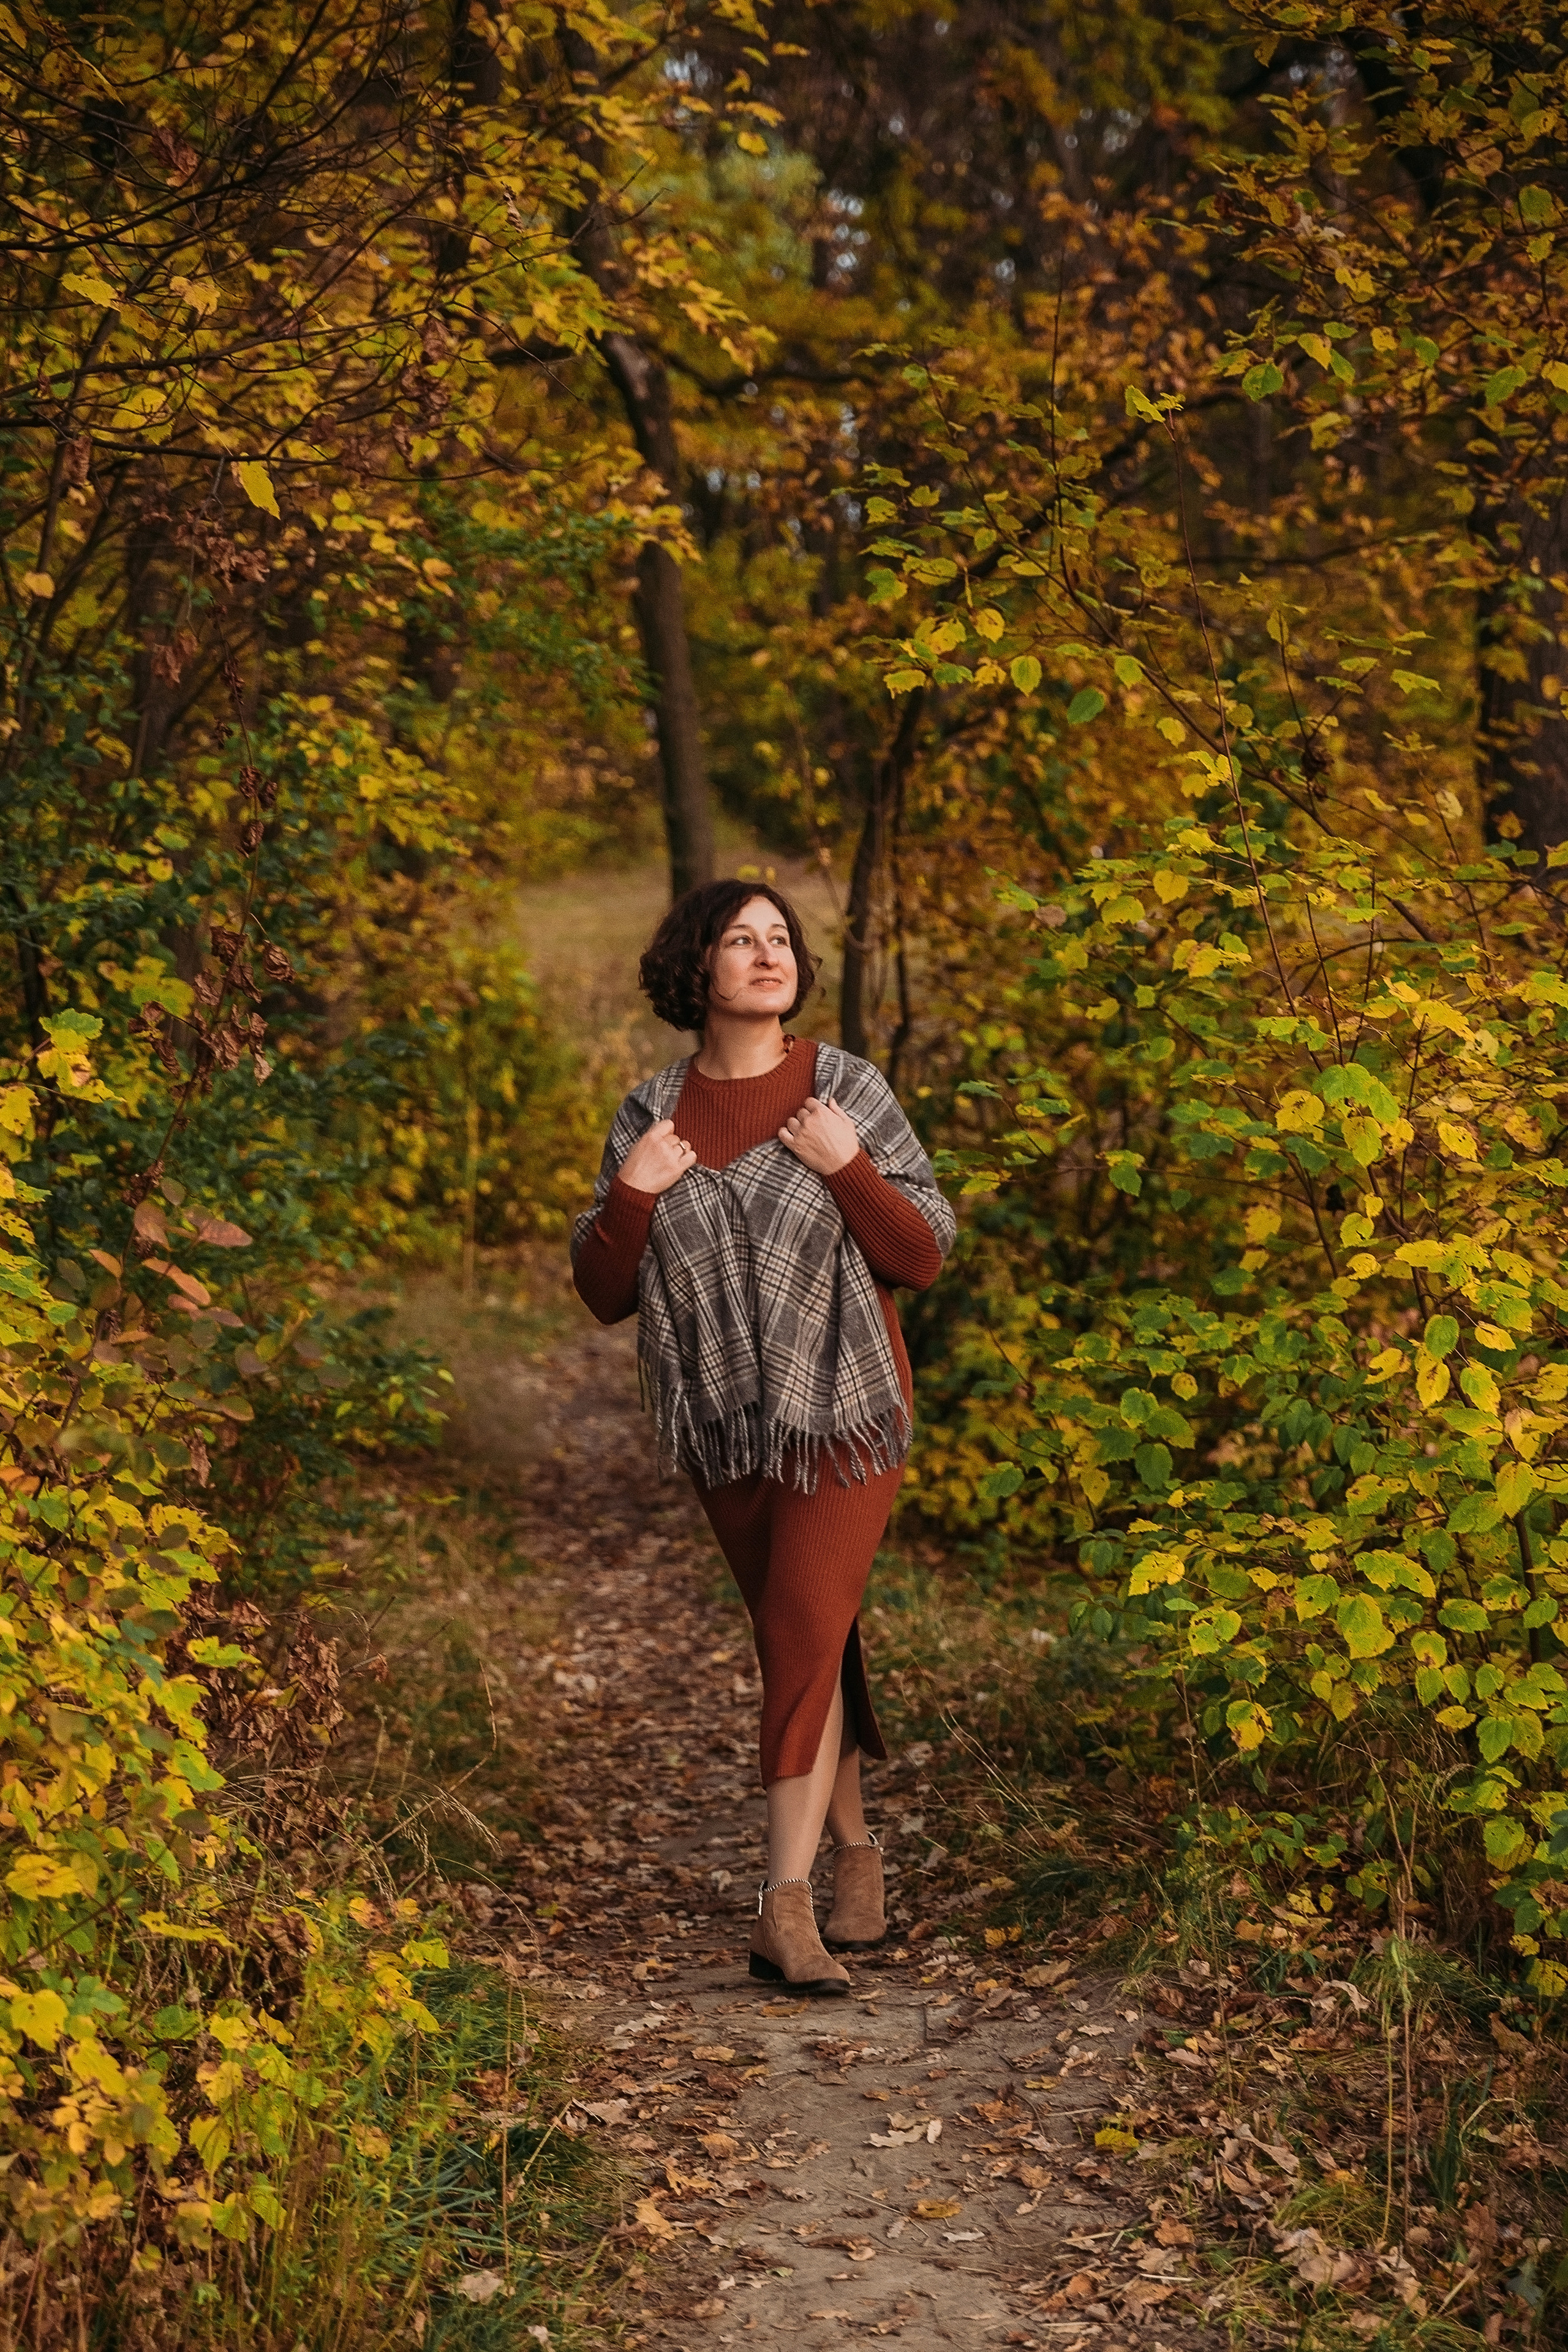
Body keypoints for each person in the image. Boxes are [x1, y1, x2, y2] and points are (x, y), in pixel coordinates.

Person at [570, 880, 955, 1996]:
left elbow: (922, 1254)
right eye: (741, 940)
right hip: (725, 1423)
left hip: (848, 1413)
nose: (767, 954)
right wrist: (633, 1198)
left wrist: (847, 1164)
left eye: (780, 938)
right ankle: (858, 1855)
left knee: (797, 1623)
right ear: (697, 968)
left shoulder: (845, 1089)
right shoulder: (650, 1116)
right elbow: (603, 1290)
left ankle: (781, 1909)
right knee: (807, 1635)